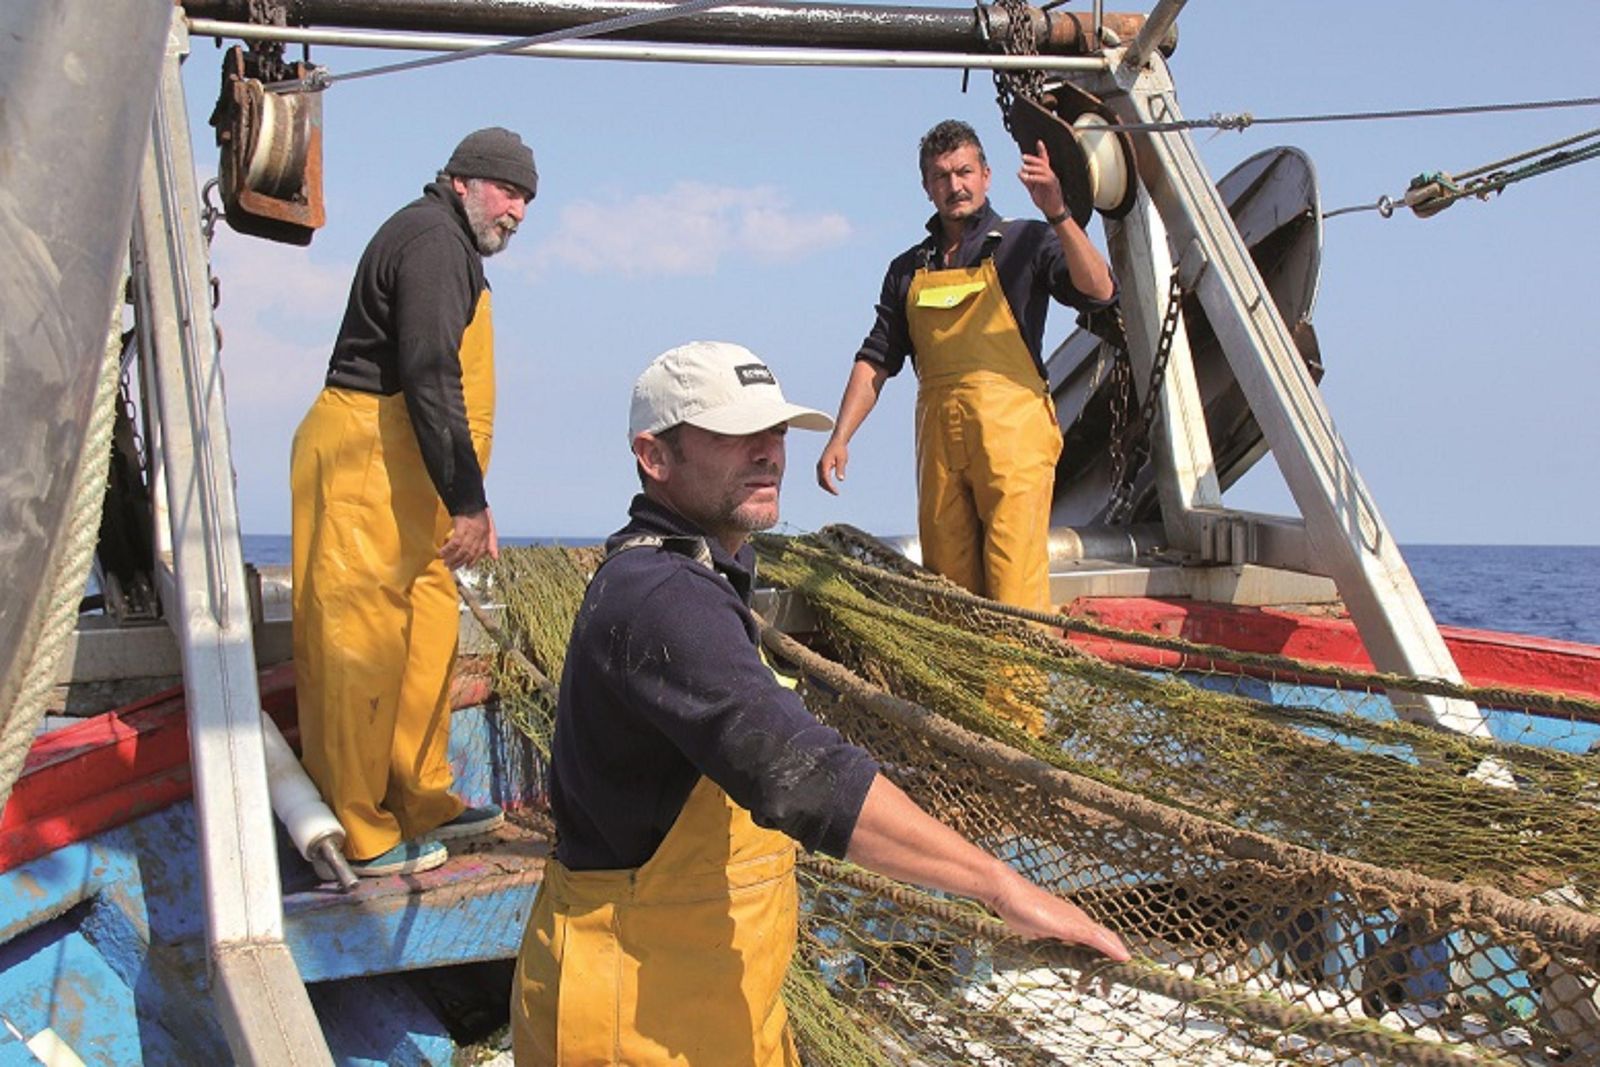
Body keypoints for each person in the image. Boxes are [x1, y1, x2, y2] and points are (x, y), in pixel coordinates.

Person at [509, 340, 1128, 1065]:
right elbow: (801, 773)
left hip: (709, 997)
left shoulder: (703, 576)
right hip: (629, 1017)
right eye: (735, 434)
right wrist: (1000, 886)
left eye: (774, 432)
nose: (769, 452)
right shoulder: (661, 597)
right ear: (655, 456)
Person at [290, 127, 537, 878]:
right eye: (507, 191)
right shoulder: (432, 241)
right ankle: (361, 828)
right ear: (461, 181)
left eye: (527, 198)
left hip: (415, 477)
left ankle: (419, 791)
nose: (518, 211)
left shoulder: (452, 249)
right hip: (366, 456)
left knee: (427, 627)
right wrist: (467, 499)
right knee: (359, 641)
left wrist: (468, 501)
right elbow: (430, 375)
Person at [817, 118, 1117, 614]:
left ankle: (1018, 696)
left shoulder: (1027, 241)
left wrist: (1060, 215)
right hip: (938, 442)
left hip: (1013, 434)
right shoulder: (908, 267)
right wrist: (840, 436)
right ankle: (964, 692)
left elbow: (1099, 290)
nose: (955, 186)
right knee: (947, 588)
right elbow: (877, 358)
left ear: (986, 175)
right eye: (941, 176)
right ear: (926, 187)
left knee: (1014, 583)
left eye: (964, 172)